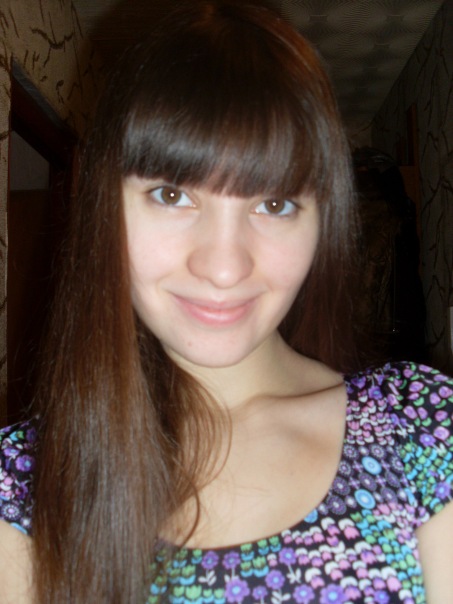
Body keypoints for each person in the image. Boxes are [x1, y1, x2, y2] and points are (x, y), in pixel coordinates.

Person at [1, 1, 452, 602]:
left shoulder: (420, 428)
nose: (223, 266)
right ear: (104, 207)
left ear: (322, 222)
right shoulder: (24, 483)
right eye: (171, 194)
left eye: (274, 205)